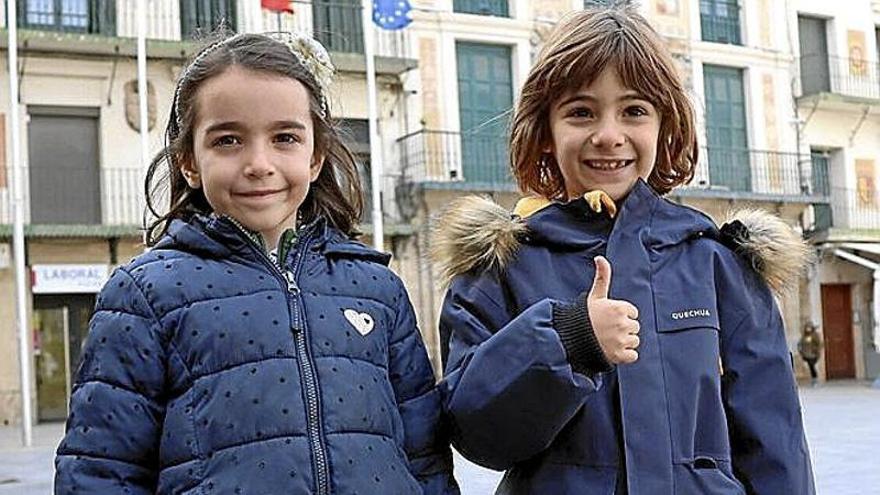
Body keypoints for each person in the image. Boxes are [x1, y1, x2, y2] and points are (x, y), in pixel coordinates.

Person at [55, 32, 458, 495]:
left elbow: (425, 459)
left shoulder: (378, 288)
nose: (259, 163)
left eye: (285, 137)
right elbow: (100, 471)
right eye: (228, 140)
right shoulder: (144, 294)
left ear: (315, 156)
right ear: (189, 160)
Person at [434, 6, 815, 494]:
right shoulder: (500, 266)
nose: (608, 135)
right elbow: (477, 434)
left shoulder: (717, 262)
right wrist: (569, 339)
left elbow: (775, 440)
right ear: (545, 131)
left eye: (634, 110)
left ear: (665, 125)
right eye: (580, 112)